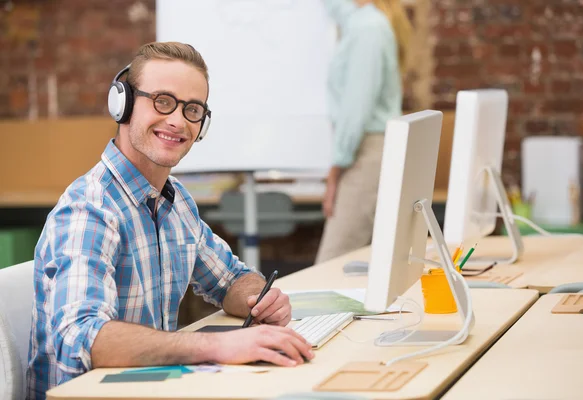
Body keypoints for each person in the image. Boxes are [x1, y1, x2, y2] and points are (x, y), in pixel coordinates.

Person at [27, 42, 313, 398]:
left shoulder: (176, 202)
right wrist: (217, 346)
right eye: (162, 101)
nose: (177, 120)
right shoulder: (90, 209)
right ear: (124, 104)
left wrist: (258, 298)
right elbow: (83, 339)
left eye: (192, 109)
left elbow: (231, 279)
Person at [316, 0, 412, 263]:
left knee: (331, 265)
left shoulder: (368, 28)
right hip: (370, 151)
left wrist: (336, 169)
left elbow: (356, 108)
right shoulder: (367, 22)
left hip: (365, 153)